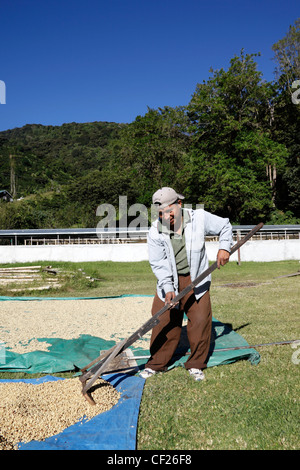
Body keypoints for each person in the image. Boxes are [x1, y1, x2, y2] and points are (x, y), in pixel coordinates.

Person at [140, 187, 232, 381]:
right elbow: (159, 264)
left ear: (179, 205)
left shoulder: (199, 218)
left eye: (169, 211)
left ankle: (196, 364)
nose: (166, 216)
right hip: (169, 281)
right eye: (161, 213)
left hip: (196, 279)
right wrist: (168, 289)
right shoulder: (155, 231)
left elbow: (225, 225)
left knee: (200, 321)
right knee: (163, 321)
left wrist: (224, 247)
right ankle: (156, 364)